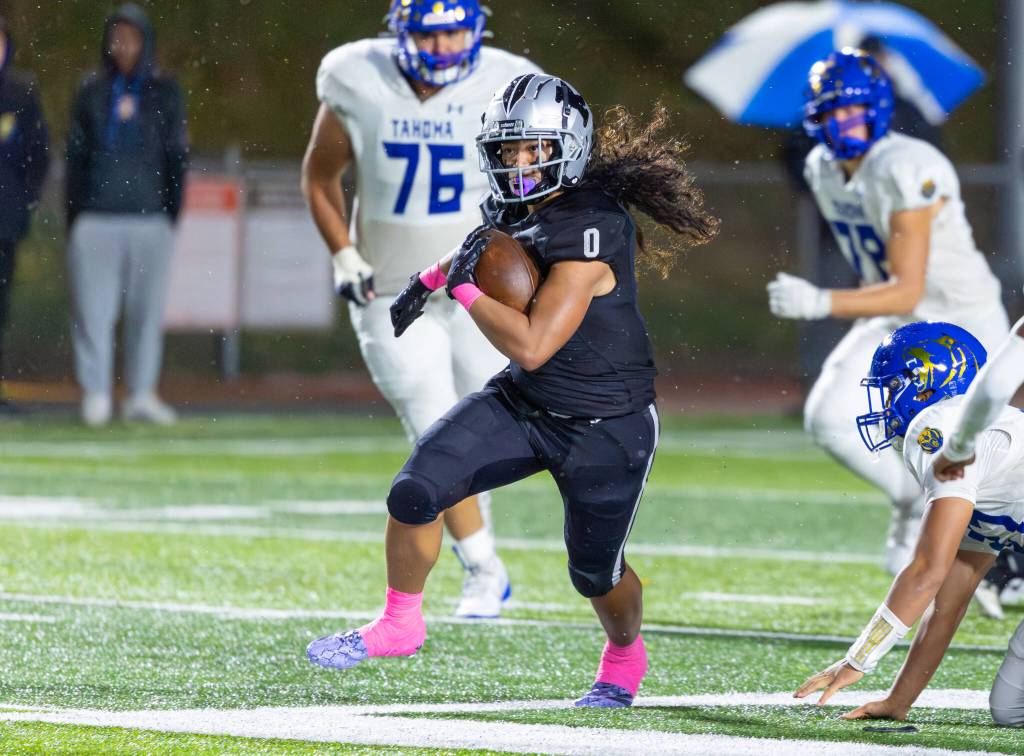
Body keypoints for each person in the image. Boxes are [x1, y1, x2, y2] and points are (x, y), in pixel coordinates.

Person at [305, 74, 718, 706]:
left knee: (595, 573)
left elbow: (531, 342)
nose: (518, 163)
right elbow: (487, 248)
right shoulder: (510, 208)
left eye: (532, 149)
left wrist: (463, 292)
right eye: (507, 150)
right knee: (417, 489)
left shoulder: (592, 223)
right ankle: (399, 622)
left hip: (606, 423)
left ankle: (624, 655)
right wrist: (430, 277)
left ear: (568, 147)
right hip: (526, 402)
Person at [301, 0, 541, 617]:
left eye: (455, 32)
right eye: (430, 35)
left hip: (475, 285)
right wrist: (343, 255)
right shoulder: (357, 76)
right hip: (390, 289)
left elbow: (536, 179)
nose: (442, 48)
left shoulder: (507, 79)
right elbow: (320, 177)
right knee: (435, 427)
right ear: (401, 32)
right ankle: (485, 568)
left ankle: (484, 559)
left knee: (480, 425)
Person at [767, 49, 1009, 577]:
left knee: (1005, 451)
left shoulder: (907, 165)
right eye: (831, 112)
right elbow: (882, 273)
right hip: (897, 315)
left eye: (852, 110)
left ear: (877, 109)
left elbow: (906, 286)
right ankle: (919, 503)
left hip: (962, 317)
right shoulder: (819, 167)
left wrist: (821, 301)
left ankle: (999, 556)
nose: (842, 122)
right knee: (830, 420)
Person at [793, 320, 1024, 727]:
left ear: (923, 384)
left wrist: (859, 659)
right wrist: (899, 699)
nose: (884, 403)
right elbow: (949, 597)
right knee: (1011, 710)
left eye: (891, 387)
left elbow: (924, 571)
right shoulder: (986, 447)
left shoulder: (935, 424)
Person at [66, 3, 188, 427]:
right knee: (94, 313)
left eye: (131, 37)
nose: (123, 46)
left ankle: (141, 393)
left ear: (145, 41)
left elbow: (177, 156)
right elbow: (75, 158)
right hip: (97, 217)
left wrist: (170, 213)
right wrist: (76, 215)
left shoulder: (164, 92)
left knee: (146, 314)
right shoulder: (92, 91)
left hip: (150, 218)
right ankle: (96, 394)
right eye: (116, 37)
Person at [0, 16, 48, 413]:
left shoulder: (21, 91)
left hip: (4, 221)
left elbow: (38, 155)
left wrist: (24, 201)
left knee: (0, 305)